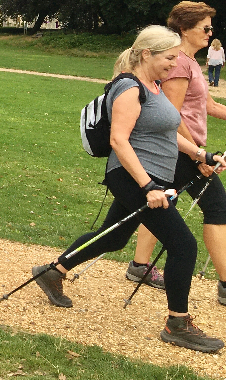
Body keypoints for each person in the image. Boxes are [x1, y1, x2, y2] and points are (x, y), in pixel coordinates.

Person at [31, 25, 224, 353]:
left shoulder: (154, 84)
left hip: (150, 177)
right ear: (147, 53)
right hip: (135, 178)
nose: (173, 63)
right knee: (183, 245)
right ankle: (177, 324)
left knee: (115, 236)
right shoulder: (128, 88)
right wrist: (147, 186)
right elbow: (119, 139)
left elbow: (165, 132)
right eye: (169, 57)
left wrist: (199, 153)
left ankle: (53, 272)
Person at [126, 2, 226, 307]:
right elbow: (172, 114)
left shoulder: (191, 62)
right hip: (182, 150)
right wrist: (199, 155)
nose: (211, 33)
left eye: (211, 28)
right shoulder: (179, 62)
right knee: (218, 207)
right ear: (184, 28)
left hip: (187, 150)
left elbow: (207, 106)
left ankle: (139, 265)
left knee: (160, 204)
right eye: (205, 28)